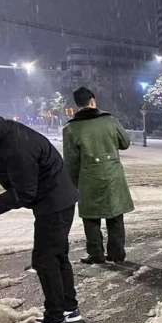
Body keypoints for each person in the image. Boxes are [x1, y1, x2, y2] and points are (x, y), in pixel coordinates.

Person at [0, 108, 80, 323]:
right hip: (56, 200)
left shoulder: (15, 145)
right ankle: (69, 307)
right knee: (57, 256)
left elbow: (25, 193)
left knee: (45, 259)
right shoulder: (1, 138)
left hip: (54, 204)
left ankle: (56, 320)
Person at [63, 87, 134, 264]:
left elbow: (71, 162)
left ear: (77, 105)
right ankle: (117, 254)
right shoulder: (110, 120)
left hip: (88, 178)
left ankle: (96, 254)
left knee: (90, 217)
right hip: (112, 176)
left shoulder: (71, 128)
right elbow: (125, 143)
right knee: (115, 214)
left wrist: (71, 186)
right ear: (93, 101)